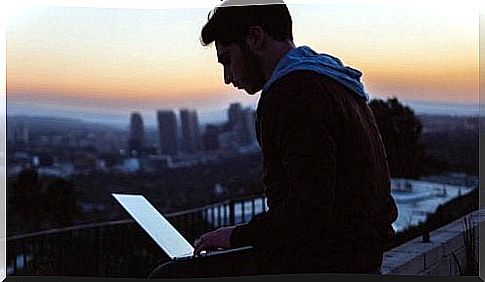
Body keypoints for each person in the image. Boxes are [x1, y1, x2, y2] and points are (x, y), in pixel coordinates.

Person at [149, 0, 397, 278]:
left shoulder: (292, 92)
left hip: (325, 262)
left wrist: (236, 236)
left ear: (255, 37)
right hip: (359, 257)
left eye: (228, 60)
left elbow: (309, 211)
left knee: (168, 275)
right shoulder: (335, 82)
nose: (228, 78)